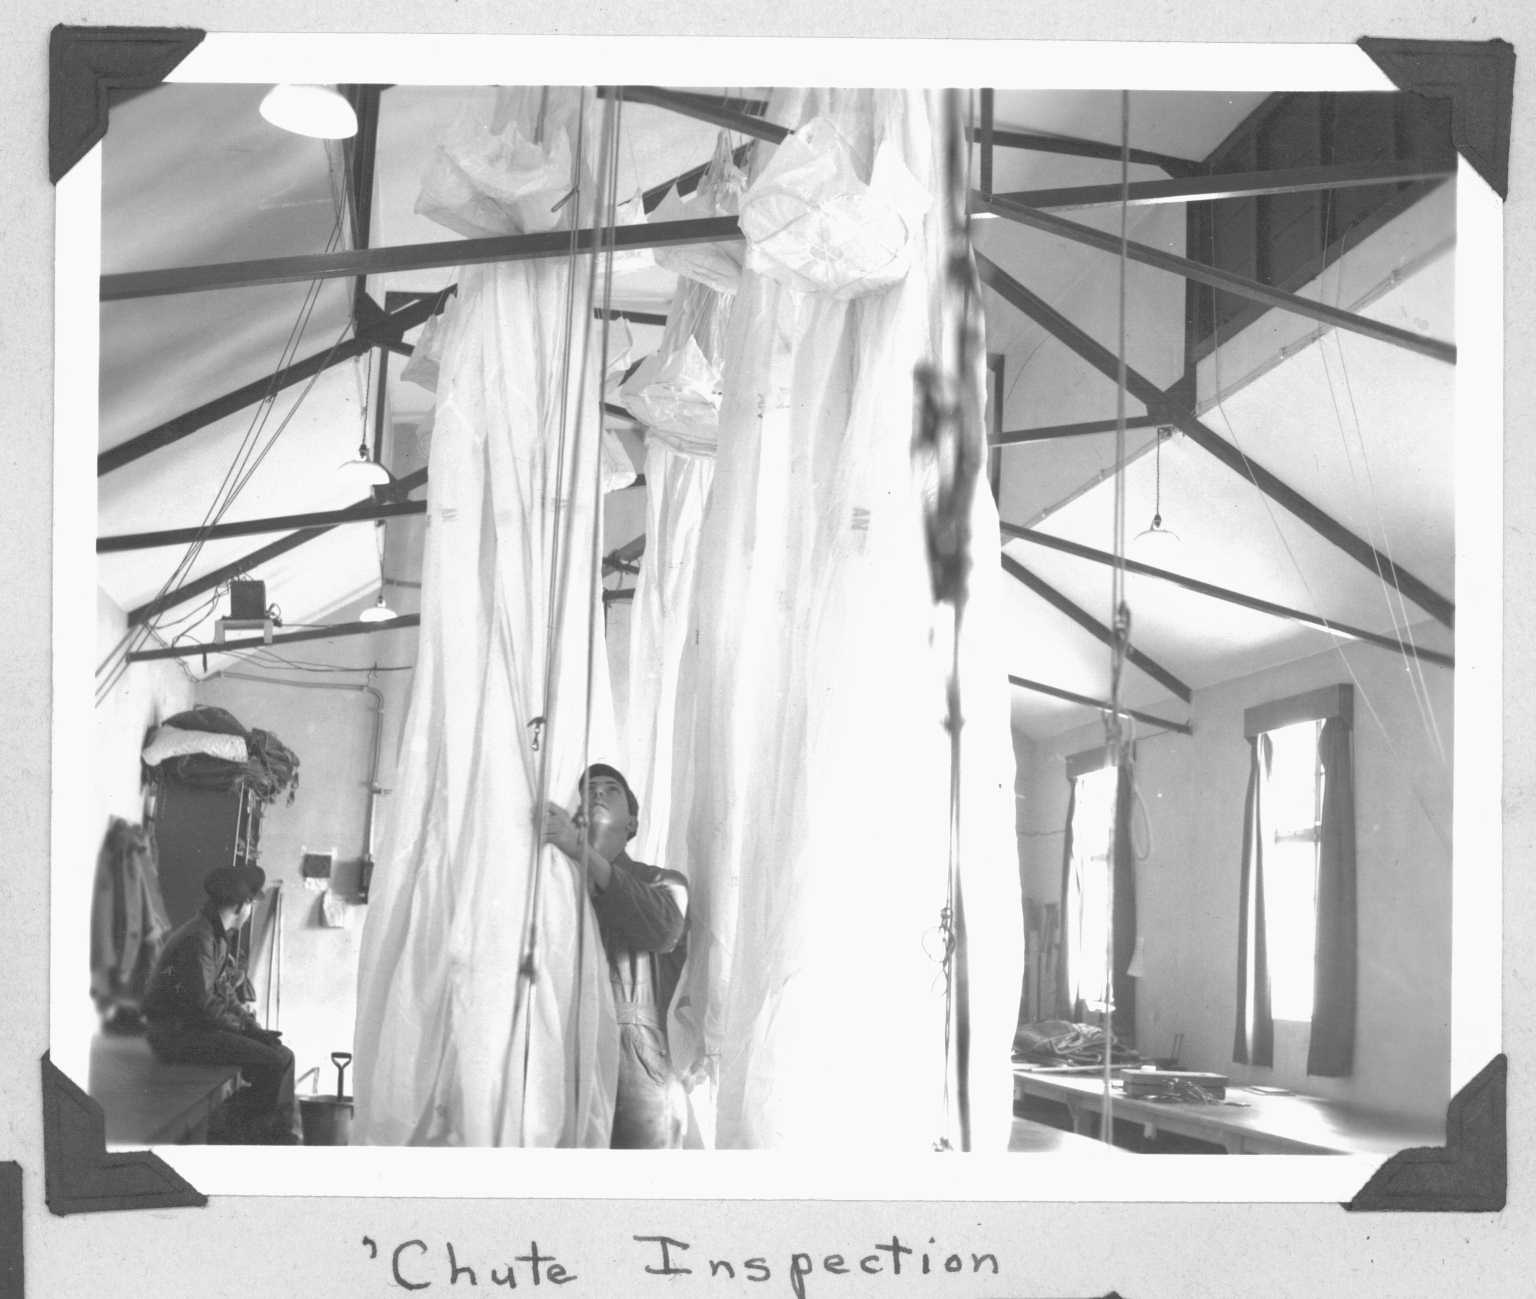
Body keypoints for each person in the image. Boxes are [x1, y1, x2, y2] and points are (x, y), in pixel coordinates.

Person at [541, 764, 689, 1149]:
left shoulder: (664, 881)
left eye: (611, 789)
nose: (597, 793)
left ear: (632, 823)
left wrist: (580, 850)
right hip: (561, 1064)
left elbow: (665, 930)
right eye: (589, 790)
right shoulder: (554, 885)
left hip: (640, 1077)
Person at [142, 864, 298, 1145]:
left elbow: (224, 991)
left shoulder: (215, 935)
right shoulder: (199, 938)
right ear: (241, 906)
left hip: (196, 1029)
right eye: (251, 904)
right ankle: (235, 1133)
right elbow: (203, 1004)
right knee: (274, 1062)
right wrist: (245, 1031)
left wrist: (252, 1027)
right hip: (176, 1036)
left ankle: (264, 1131)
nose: (251, 911)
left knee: (284, 1056)